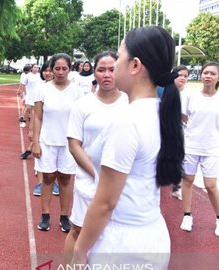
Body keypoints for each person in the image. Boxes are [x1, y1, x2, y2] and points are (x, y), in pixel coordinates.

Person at [71, 26, 184, 268]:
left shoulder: (126, 121)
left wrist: (79, 251)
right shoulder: (160, 112)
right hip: (152, 234)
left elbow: (106, 203)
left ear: (135, 66)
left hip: (120, 244)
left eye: (119, 58)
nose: (114, 67)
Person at [63, 51, 128, 264]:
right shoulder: (84, 104)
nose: (107, 75)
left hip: (122, 184)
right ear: (94, 72)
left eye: (112, 69)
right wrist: (97, 174)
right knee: (78, 230)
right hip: (89, 181)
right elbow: (74, 144)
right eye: (101, 70)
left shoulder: (130, 102)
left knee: (114, 234)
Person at [32, 53, 83, 232]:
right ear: (51, 69)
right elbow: (37, 117)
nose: (60, 72)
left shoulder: (77, 91)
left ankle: (64, 216)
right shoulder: (43, 89)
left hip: (69, 143)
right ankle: (45, 214)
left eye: (64, 69)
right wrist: (35, 142)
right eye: (57, 68)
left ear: (70, 69)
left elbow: (81, 118)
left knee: (66, 178)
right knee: (47, 178)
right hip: (47, 140)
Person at [180, 62, 219, 236]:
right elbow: (184, 116)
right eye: (205, 72)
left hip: (211, 148)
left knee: (210, 185)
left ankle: (218, 218)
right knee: (187, 180)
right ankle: (187, 215)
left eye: (212, 73)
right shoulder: (191, 96)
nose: (208, 76)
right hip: (191, 146)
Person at [29, 60, 59, 197]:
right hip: (42, 128)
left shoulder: (62, 89)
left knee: (57, 159)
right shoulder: (39, 88)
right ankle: (41, 183)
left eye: (50, 70)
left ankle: (55, 183)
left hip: (58, 129)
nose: (47, 73)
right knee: (40, 157)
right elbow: (35, 112)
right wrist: (31, 130)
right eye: (45, 70)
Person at [171, 65, 190, 200]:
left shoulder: (189, 95)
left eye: (185, 76)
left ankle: (176, 187)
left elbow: (188, 117)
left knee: (179, 159)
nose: (182, 78)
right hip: (162, 129)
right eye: (180, 75)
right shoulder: (164, 90)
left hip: (180, 131)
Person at [20, 64, 41, 157]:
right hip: (31, 97)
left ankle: (29, 148)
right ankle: (22, 119)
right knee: (28, 108)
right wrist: (23, 92)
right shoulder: (27, 76)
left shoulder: (42, 79)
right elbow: (22, 85)